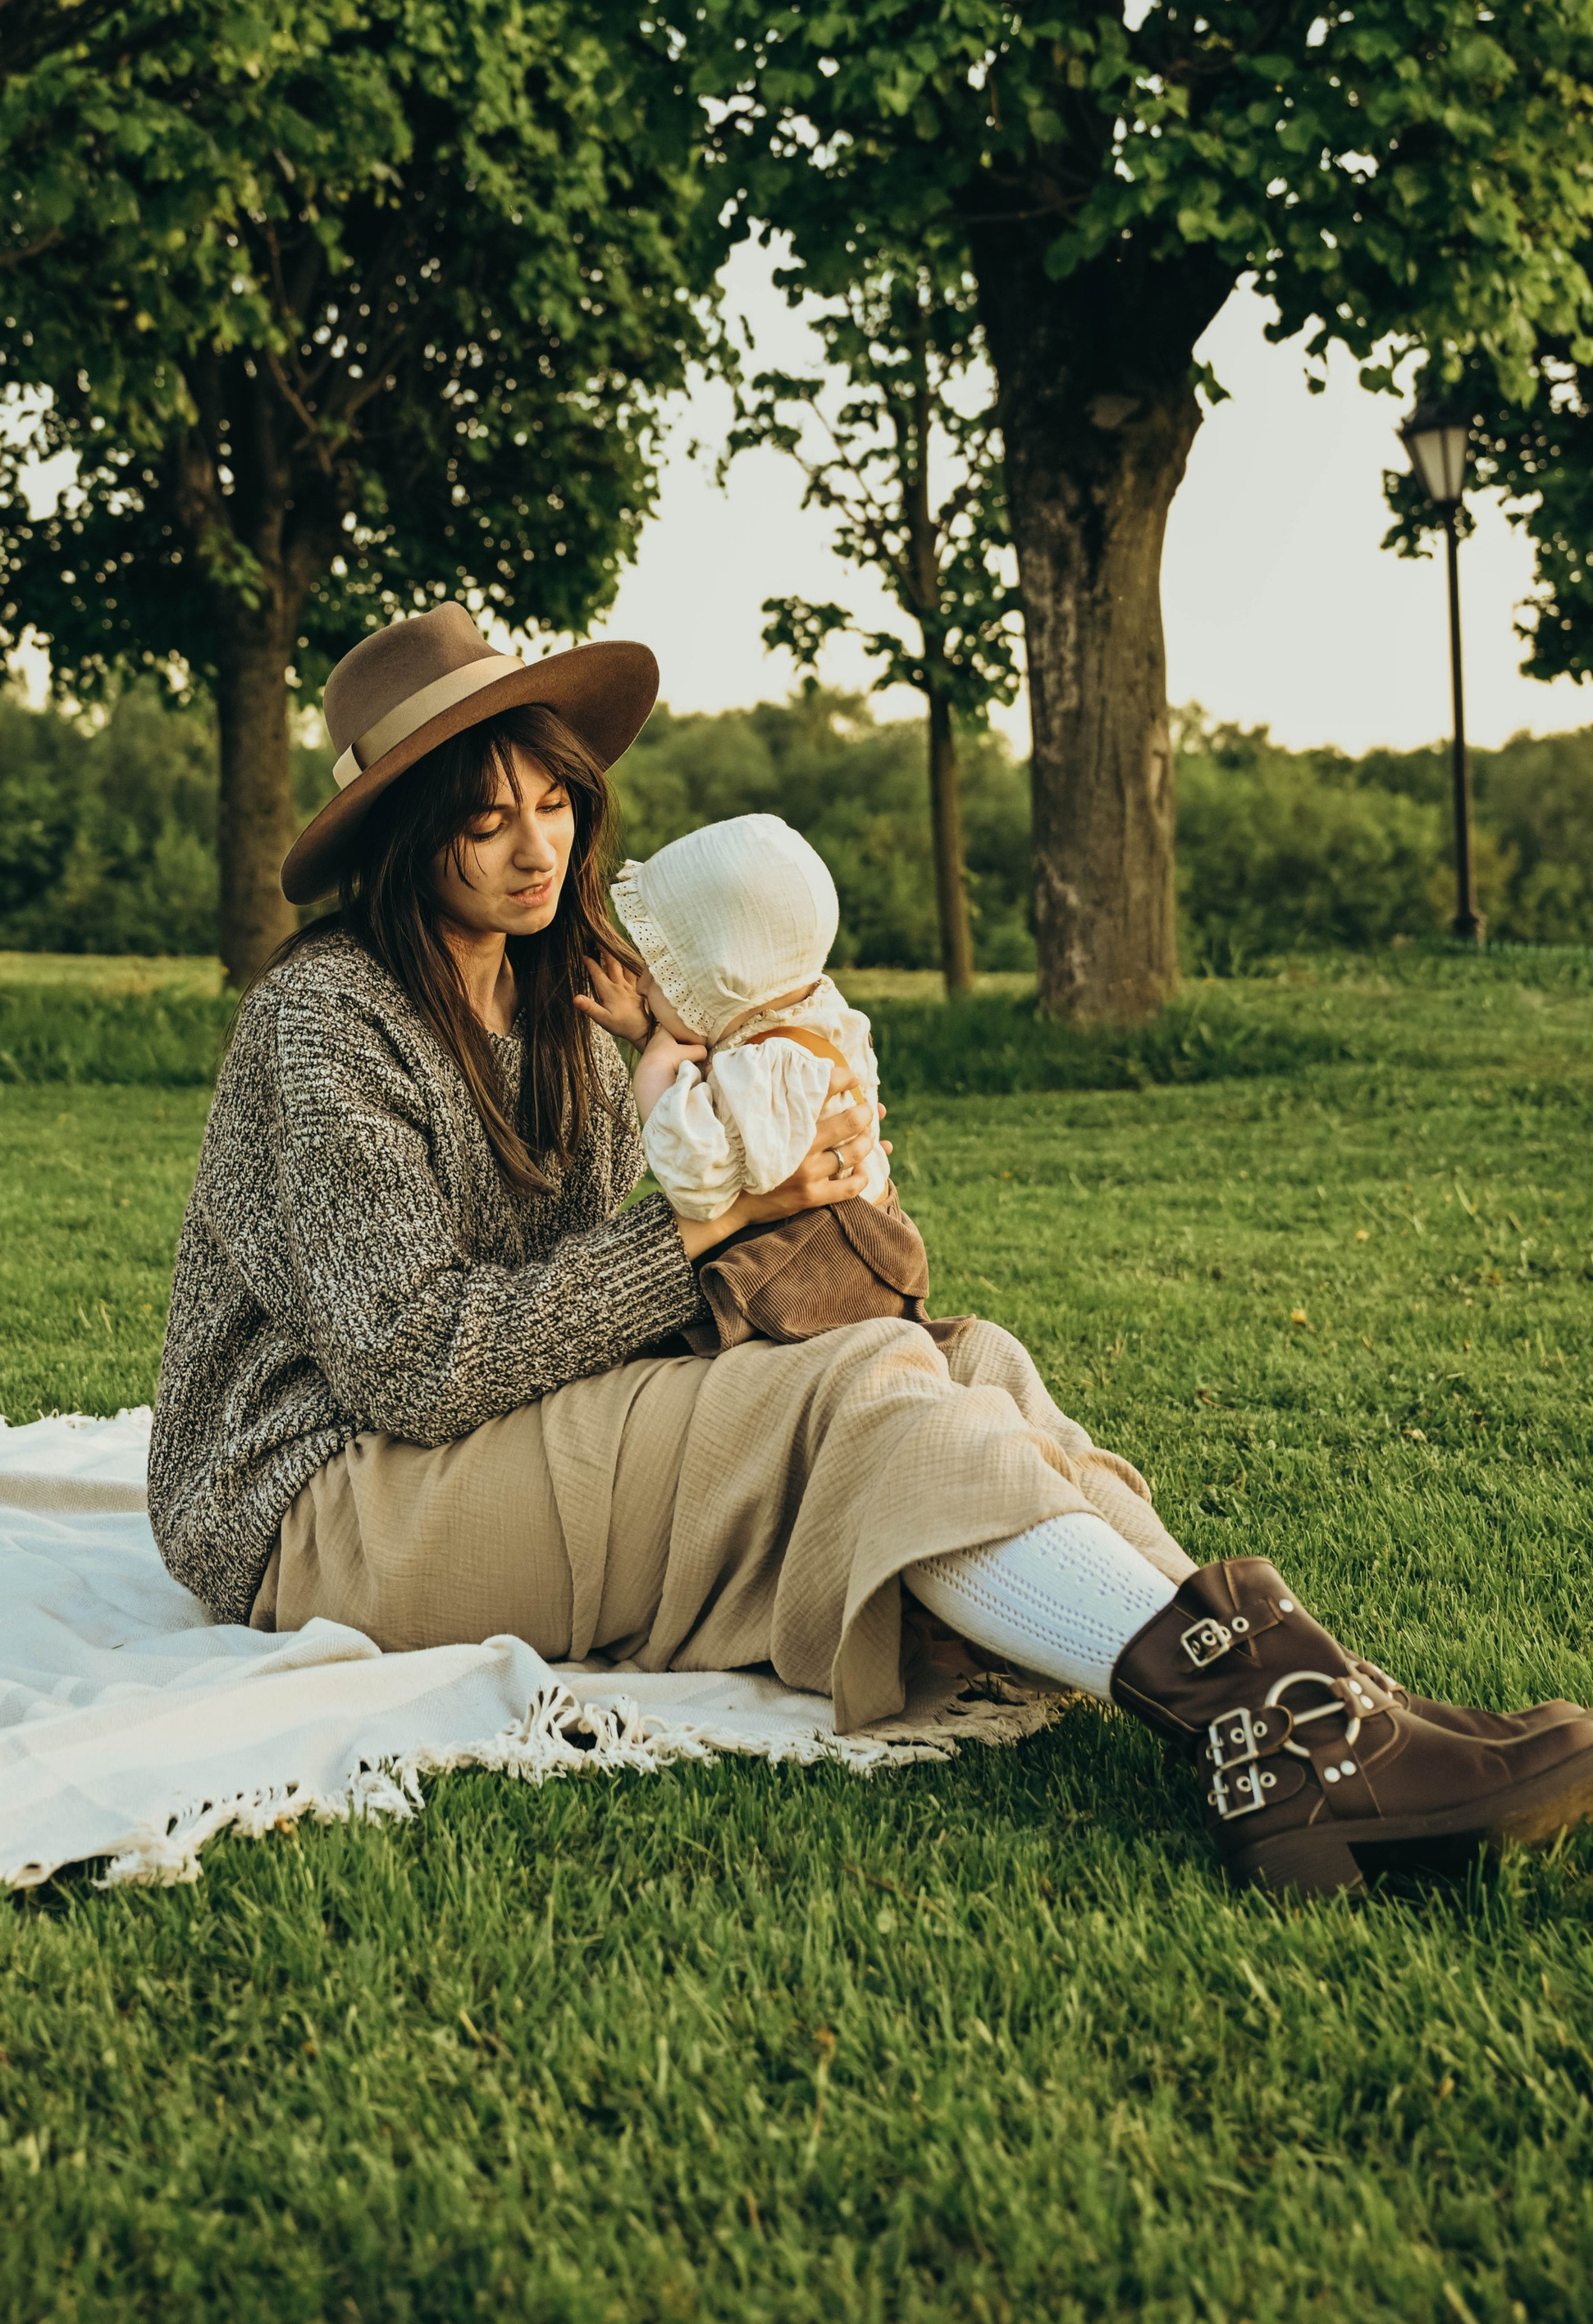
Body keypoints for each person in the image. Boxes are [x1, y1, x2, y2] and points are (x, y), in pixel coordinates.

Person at [148, 605, 1593, 1902]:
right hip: (324, 1500)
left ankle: (1307, 1708)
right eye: (484, 821)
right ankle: (1268, 1732)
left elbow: (619, 1306)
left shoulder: (572, 1009)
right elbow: (414, 1362)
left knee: (958, 1360)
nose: (540, 849)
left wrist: (788, 1200)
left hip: (480, 1436)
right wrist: (712, 1234)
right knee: (851, 1402)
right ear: (410, 837)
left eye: (556, 806)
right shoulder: (328, 1020)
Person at [585, 810, 895, 1216]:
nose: (642, 985)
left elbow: (701, 1186)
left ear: (718, 977)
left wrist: (654, 1075)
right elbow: (728, 1112)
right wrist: (647, 1035)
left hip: (803, 1270)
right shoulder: (813, 1023)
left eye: (660, 971)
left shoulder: (771, 1066)